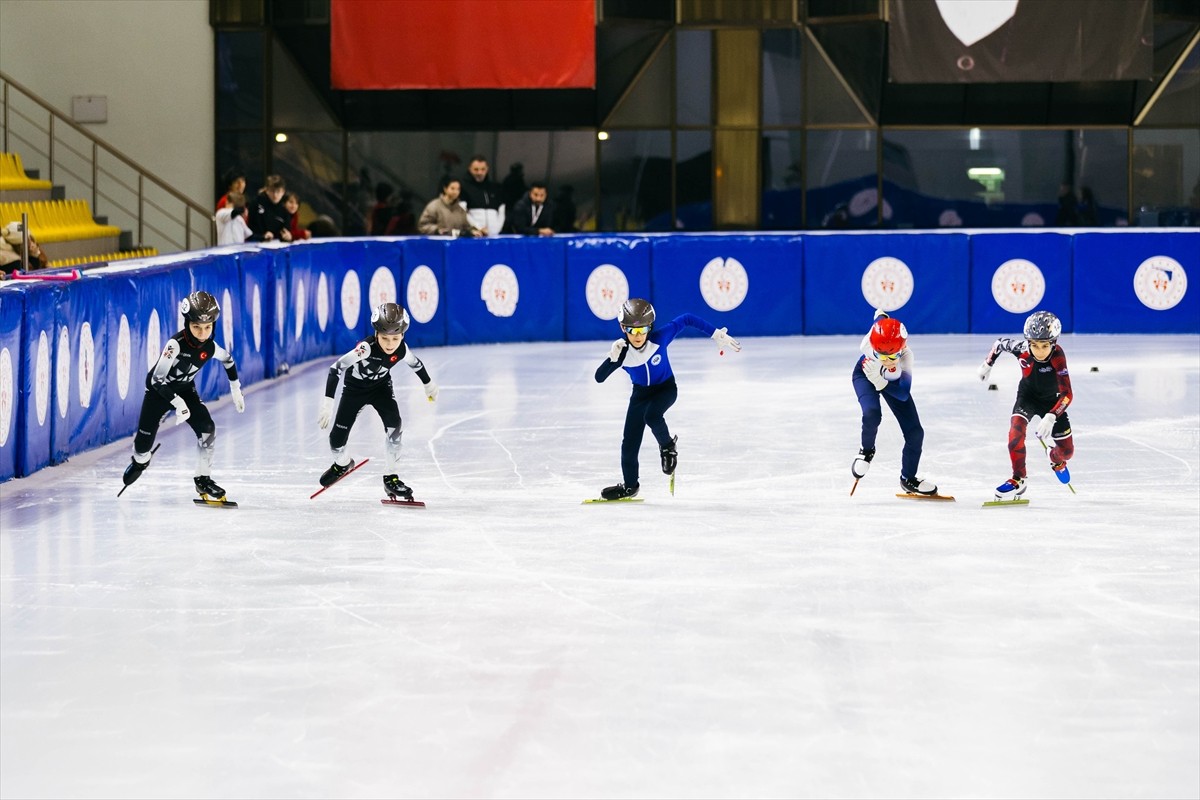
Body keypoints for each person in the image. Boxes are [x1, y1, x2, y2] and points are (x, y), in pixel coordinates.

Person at [594, 298, 741, 500]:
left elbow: (687, 318)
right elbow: (599, 378)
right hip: (640, 394)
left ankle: (668, 447)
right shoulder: (621, 353)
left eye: (643, 329)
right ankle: (630, 486)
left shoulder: (660, 338)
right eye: (632, 330)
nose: (638, 336)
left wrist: (715, 334)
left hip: (665, 389)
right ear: (622, 327)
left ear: (650, 327)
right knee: (629, 443)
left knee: (652, 416)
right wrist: (611, 359)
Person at [121, 291, 246, 500]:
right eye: (196, 326)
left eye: (208, 327)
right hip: (157, 393)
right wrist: (177, 403)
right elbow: (156, 380)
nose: (202, 333)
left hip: (185, 390)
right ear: (187, 323)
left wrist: (236, 389)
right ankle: (141, 461)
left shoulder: (210, 346)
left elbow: (228, 360)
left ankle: (203, 479)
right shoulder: (174, 345)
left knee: (207, 428)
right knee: (142, 448)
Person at [317, 302, 439, 500]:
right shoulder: (365, 349)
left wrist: (429, 384)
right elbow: (336, 369)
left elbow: (416, 364)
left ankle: (391, 478)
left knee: (395, 426)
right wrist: (328, 403)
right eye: (384, 338)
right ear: (376, 335)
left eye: (395, 338)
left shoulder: (401, 349)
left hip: (381, 388)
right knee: (336, 441)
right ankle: (342, 464)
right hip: (354, 391)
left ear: (402, 336)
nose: (390, 344)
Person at [977, 310, 1075, 500]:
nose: (1039, 351)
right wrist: (987, 364)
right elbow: (998, 344)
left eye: (1045, 345)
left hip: (1053, 402)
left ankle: (1054, 459)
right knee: (1015, 435)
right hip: (1027, 397)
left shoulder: (1057, 355)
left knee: (1067, 453)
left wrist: (1052, 415)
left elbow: (1067, 394)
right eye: (1034, 345)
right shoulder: (1020, 348)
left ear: (1053, 343)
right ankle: (1018, 479)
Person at [851, 310, 938, 496]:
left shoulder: (906, 356)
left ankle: (908, 479)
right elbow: (879, 318)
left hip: (892, 383)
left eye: (892, 357)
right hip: (865, 374)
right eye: (880, 355)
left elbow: (903, 393)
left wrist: (881, 381)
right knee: (872, 413)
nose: (887, 361)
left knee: (915, 433)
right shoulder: (866, 344)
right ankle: (866, 451)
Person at [417, 177, 483, 237]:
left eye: (458, 189)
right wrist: (436, 230)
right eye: (452, 188)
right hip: (438, 244)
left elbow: (466, 226)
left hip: (456, 245)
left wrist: (472, 231)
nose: (456, 192)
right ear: (445, 189)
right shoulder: (434, 205)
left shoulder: (461, 209)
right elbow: (423, 225)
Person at [459, 155, 503, 236]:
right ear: (470, 169)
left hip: (494, 234)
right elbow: (463, 211)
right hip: (476, 233)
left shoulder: (494, 187)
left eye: (483, 169)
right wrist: (478, 227)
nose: (479, 173)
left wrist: (497, 229)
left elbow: (502, 210)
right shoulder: (464, 187)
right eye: (476, 169)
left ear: (487, 169)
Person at [247, 175, 292, 242]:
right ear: (267, 190)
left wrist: (288, 237)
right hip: (255, 245)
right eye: (272, 191)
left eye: (278, 191)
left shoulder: (285, 211)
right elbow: (248, 231)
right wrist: (262, 236)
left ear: (283, 192)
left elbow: (286, 232)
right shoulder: (256, 204)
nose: (275, 195)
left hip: (276, 246)